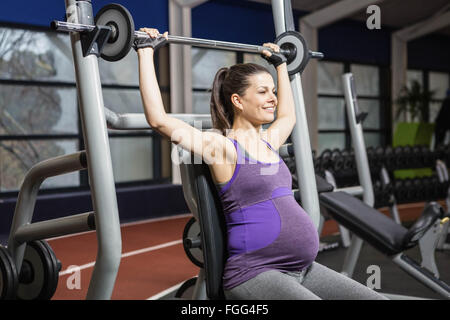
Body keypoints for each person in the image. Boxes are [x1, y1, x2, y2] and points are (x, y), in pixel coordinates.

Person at [134, 28, 387, 300]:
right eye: (263, 92)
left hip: (302, 268)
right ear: (238, 101)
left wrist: (281, 65)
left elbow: (288, 116)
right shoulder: (221, 147)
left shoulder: (268, 141)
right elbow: (159, 120)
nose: (273, 98)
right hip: (254, 272)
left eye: (274, 92)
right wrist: (146, 50)